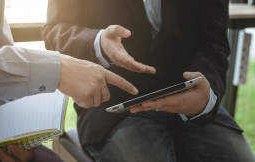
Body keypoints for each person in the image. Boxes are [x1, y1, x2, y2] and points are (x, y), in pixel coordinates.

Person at [43, 0, 255, 161]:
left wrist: (207, 97)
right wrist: (98, 43)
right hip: (113, 105)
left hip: (190, 104)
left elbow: (214, 44)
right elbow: (55, 32)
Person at [0, 0, 155, 161]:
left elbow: (0, 64)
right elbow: (54, 31)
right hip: (112, 110)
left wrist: (15, 137)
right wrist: (59, 68)